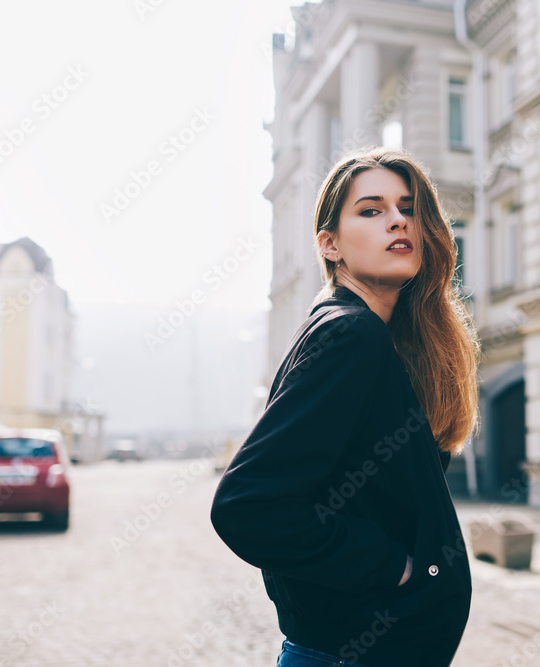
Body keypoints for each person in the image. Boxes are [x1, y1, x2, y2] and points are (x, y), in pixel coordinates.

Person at [210, 146, 481, 667]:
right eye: (372, 210)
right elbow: (249, 506)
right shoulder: (349, 335)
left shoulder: (381, 341)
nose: (398, 220)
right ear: (329, 245)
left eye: (408, 208)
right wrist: (393, 567)